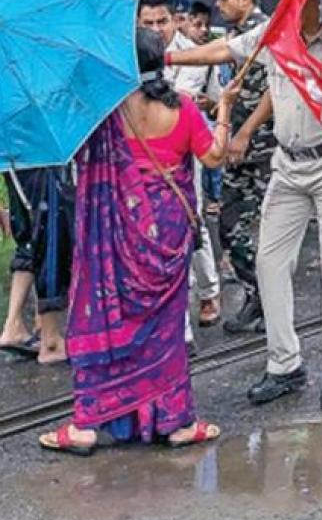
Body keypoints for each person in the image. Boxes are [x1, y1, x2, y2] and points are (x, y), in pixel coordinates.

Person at [167, 0, 322, 410]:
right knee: (269, 261)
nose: (286, 7)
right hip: (287, 163)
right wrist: (165, 57)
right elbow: (223, 51)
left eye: (294, 0)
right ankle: (284, 363)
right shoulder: (276, 33)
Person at [38, 29, 238, 454]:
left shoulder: (103, 113)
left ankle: (88, 424)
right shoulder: (183, 108)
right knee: (163, 328)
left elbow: (69, 147)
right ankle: (175, 421)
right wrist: (225, 110)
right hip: (167, 232)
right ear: (164, 61)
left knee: (109, 316)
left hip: (113, 234)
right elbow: (215, 157)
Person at [138, 0, 222, 328]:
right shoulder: (132, 55)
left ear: (176, 20)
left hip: (186, 153)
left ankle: (207, 291)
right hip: (144, 155)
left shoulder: (195, 55)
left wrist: (217, 108)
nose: (157, 29)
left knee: (191, 219)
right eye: (149, 23)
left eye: (162, 21)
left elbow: (197, 101)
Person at [202, 0, 277, 335]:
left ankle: (268, 303)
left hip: (262, 148)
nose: (218, 5)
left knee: (256, 230)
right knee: (230, 226)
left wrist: (245, 132)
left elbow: (275, 89)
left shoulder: (266, 33)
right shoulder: (238, 36)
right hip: (239, 148)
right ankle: (259, 296)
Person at [0, 168, 71, 364]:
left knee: (30, 237)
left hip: (16, 153)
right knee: (51, 233)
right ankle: (50, 339)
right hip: (36, 152)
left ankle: (13, 325)